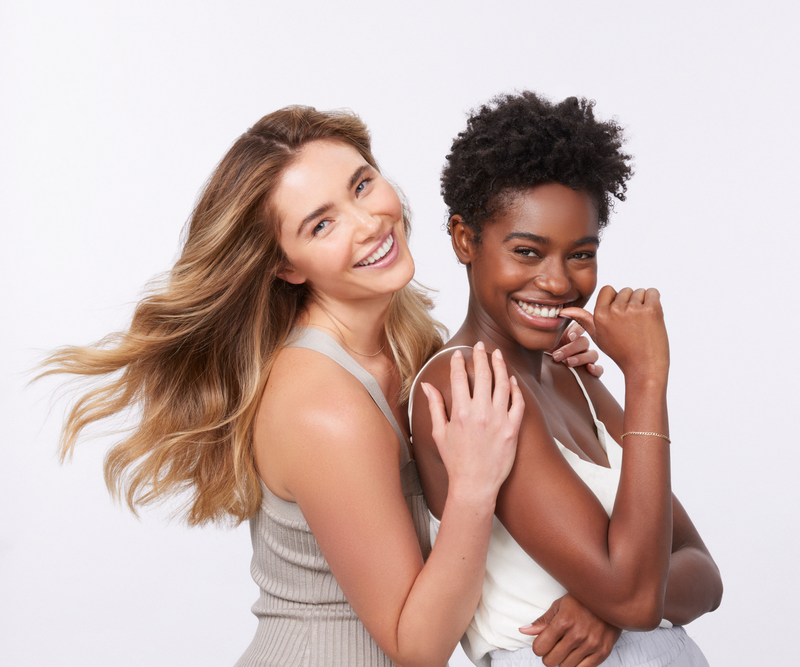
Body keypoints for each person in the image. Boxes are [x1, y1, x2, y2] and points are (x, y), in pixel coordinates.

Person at [40, 105, 604, 667]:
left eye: (362, 185)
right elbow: (418, 648)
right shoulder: (324, 406)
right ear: (286, 266)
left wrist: (542, 358)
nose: (369, 223)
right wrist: (475, 488)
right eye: (322, 223)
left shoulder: (409, 345)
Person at [410, 92, 723, 667]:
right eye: (527, 251)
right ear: (463, 240)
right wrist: (647, 379)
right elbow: (635, 594)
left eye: (580, 254)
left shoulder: (573, 372)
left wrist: (608, 604)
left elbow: (705, 576)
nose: (557, 283)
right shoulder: (468, 385)